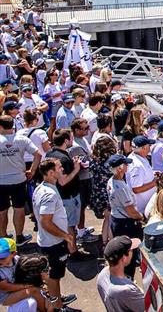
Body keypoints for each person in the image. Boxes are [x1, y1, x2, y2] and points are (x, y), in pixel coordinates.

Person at [32, 158, 75, 311]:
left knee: (54, 276)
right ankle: (57, 306)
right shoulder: (49, 194)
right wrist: (65, 236)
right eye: (58, 167)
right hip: (53, 244)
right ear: (50, 173)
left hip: (49, 241)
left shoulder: (42, 188)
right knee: (53, 277)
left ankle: (57, 299)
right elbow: (45, 222)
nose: (62, 168)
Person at [0, 115, 42, 247]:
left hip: (1, 181)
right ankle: (19, 237)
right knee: (19, 209)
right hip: (19, 179)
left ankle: (3, 237)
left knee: (2, 210)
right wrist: (32, 170)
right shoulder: (21, 139)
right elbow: (38, 154)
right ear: (12, 125)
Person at [107, 154, 145, 279]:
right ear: (119, 168)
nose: (128, 166)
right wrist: (141, 217)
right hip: (126, 224)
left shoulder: (111, 181)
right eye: (125, 164)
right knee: (128, 254)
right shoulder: (121, 188)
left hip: (117, 219)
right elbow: (131, 211)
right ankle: (128, 278)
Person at [96, 236, 145, 312]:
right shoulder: (126, 290)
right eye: (131, 250)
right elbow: (147, 306)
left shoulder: (101, 276)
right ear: (124, 258)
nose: (133, 252)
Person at [68, 118, 97, 245]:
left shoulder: (83, 139)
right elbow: (84, 163)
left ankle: (81, 228)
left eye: (87, 127)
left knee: (83, 206)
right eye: (84, 128)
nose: (87, 130)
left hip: (86, 177)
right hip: (81, 180)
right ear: (76, 130)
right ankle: (80, 232)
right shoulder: (75, 146)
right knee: (81, 206)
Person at [89, 137, 117, 246]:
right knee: (110, 219)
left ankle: (105, 242)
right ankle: (110, 244)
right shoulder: (110, 162)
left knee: (107, 218)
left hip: (97, 193)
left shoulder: (94, 161)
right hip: (107, 193)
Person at [126, 136, 157, 214]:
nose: (150, 148)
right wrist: (154, 183)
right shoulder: (137, 165)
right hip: (143, 207)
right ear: (143, 148)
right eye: (149, 146)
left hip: (147, 204)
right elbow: (136, 189)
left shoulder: (140, 157)